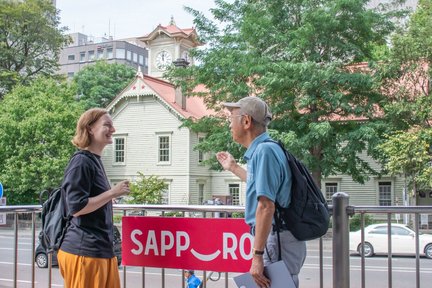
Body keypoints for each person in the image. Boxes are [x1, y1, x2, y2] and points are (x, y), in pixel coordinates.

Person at [216, 96, 306, 288]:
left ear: (246, 121)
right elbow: (261, 185)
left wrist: (257, 256)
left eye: (231, 118)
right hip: (276, 239)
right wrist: (233, 168)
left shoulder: (264, 152)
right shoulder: (265, 150)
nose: (229, 125)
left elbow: (266, 205)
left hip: (276, 240)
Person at [57, 108, 130, 288]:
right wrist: (112, 193)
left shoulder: (94, 161)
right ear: (90, 129)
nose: (113, 129)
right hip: (85, 252)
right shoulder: (81, 161)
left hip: (100, 252)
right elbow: (76, 207)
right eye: (107, 125)